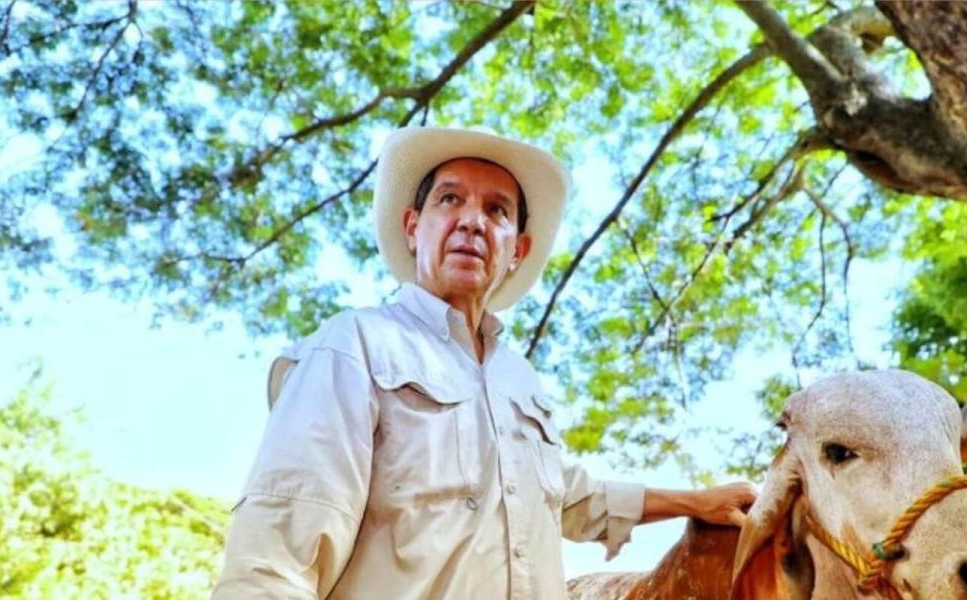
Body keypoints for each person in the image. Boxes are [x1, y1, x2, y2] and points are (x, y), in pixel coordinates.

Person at [213, 128, 757, 599]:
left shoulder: (519, 379)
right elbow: (276, 552)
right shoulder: (354, 345)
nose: (473, 221)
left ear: (516, 248)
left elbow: (573, 496)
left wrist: (697, 501)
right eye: (450, 200)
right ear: (412, 226)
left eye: (496, 210)